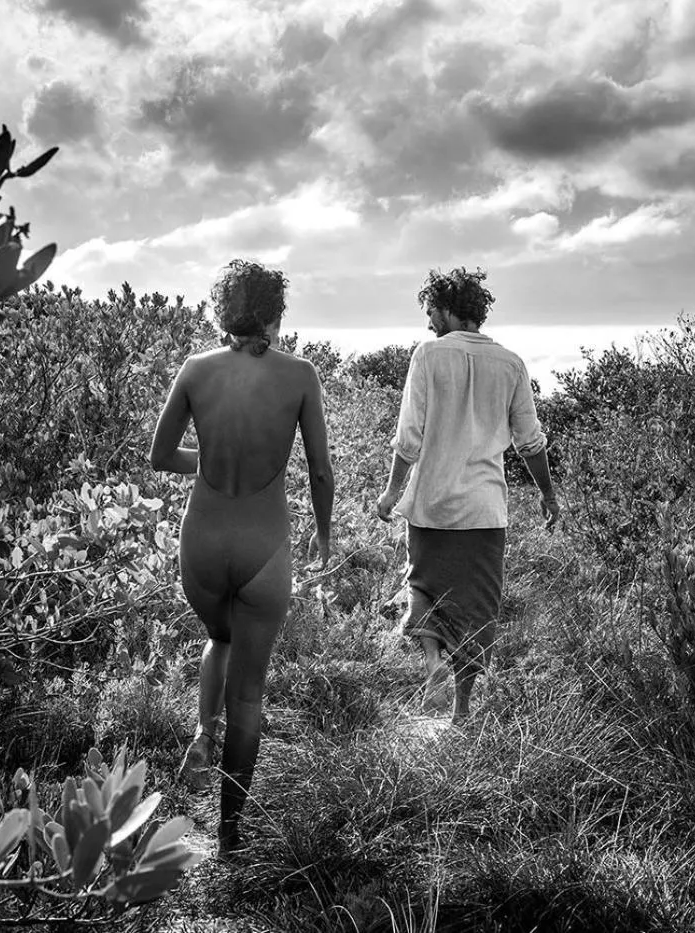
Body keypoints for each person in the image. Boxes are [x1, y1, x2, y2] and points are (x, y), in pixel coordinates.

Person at [150, 259, 335, 856]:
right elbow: (320, 470)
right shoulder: (300, 374)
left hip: (200, 543)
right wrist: (325, 535)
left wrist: (205, 463)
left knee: (220, 637)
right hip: (263, 546)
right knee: (249, 695)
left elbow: (158, 455)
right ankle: (229, 835)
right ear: (277, 313)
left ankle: (203, 732)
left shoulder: (196, 369)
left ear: (224, 310)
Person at [375, 267, 559, 722]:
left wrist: (391, 492)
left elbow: (409, 438)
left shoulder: (429, 356)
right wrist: (548, 495)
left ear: (447, 308)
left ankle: (433, 663)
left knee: (423, 585)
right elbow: (530, 442)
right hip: (484, 510)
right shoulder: (511, 363)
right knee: (476, 608)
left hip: (432, 503)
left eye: (431, 312)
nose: (428, 323)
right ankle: (460, 710)